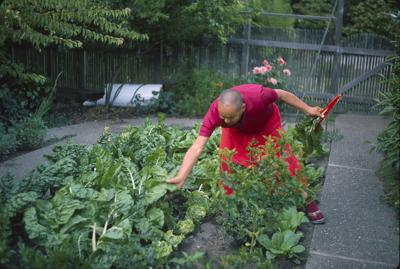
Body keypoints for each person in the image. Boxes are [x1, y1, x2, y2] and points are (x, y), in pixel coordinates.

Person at [167, 84, 325, 224]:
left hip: (266, 123)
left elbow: (282, 94)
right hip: (237, 130)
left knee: (284, 158)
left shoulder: (260, 96)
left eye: (229, 117)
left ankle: (307, 199)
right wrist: (182, 175)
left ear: (243, 108)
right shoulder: (217, 113)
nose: (225, 121)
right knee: (226, 160)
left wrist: (308, 109)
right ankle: (230, 202)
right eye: (223, 117)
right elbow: (197, 147)